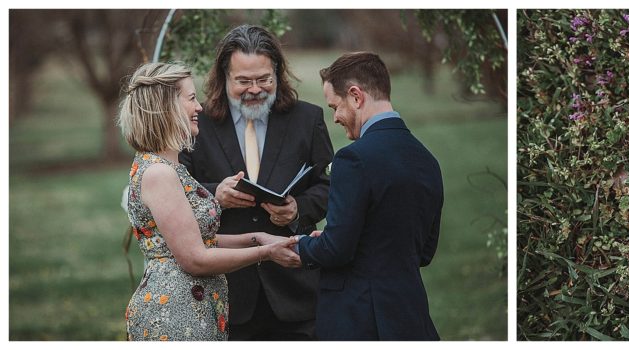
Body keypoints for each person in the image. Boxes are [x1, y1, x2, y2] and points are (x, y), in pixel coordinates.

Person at [119, 62, 300, 341]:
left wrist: (260, 238)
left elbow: (197, 240)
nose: (200, 108)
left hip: (195, 308)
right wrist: (265, 254)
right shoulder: (159, 173)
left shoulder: (172, 167)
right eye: (191, 99)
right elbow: (195, 259)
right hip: (175, 315)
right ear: (168, 107)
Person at [179, 24, 332, 340]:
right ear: (224, 77)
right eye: (243, 81)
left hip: (297, 290)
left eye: (264, 79)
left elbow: (329, 186)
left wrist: (298, 208)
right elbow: (176, 187)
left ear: (277, 73)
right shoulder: (197, 123)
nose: (255, 89)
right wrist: (214, 194)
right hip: (226, 292)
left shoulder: (308, 119)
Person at [294, 52, 443, 340]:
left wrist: (302, 246)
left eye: (335, 106)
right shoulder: (428, 159)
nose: (335, 117)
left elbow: (336, 250)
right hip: (410, 317)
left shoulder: (354, 159)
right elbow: (424, 252)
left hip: (359, 321)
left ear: (356, 96)